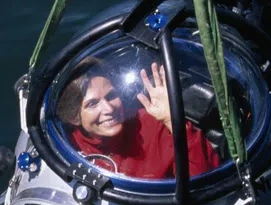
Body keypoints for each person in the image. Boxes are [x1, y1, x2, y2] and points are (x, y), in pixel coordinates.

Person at [57, 58, 220, 179]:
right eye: (92, 104)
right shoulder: (64, 144)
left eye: (111, 96)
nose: (108, 108)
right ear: (74, 117)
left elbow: (203, 180)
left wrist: (173, 120)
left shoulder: (154, 125)